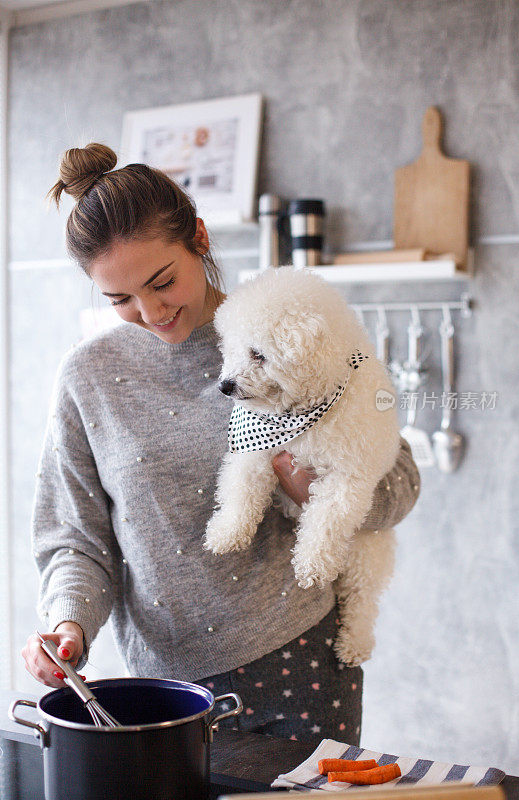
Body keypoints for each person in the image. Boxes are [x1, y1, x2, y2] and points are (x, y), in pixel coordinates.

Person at [22, 143, 421, 745]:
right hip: (159, 688)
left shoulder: (292, 329)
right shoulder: (88, 377)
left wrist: (314, 488)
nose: (151, 311)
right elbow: (75, 538)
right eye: (120, 299)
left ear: (200, 239)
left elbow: (402, 483)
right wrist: (69, 622)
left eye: (163, 282)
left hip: (301, 659)